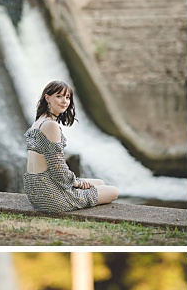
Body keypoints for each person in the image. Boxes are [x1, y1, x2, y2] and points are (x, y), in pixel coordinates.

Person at [24, 80, 119, 213]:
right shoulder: (51, 125)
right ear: (47, 98)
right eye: (59, 96)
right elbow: (57, 168)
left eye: (67, 97)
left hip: (35, 192)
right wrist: (77, 183)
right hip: (51, 196)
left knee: (100, 182)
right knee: (113, 191)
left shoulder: (38, 122)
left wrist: (76, 181)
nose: (64, 101)